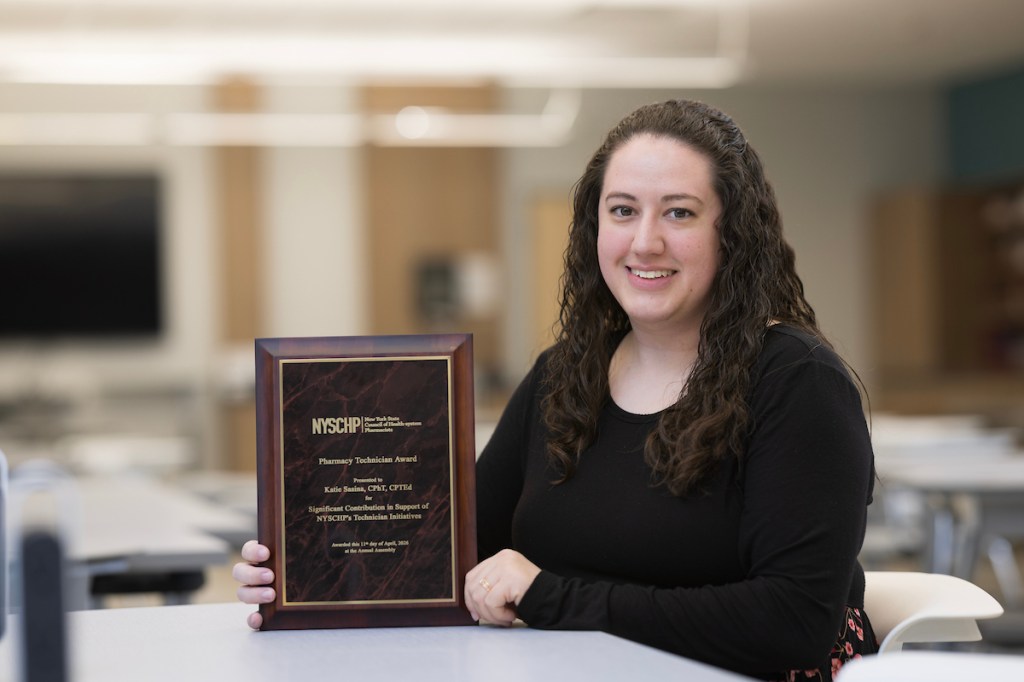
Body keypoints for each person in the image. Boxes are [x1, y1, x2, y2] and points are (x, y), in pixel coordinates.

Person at [234, 98, 878, 681]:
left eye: (679, 213)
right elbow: (450, 552)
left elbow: (792, 622)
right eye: (622, 210)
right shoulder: (564, 375)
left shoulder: (797, 383)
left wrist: (549, 597)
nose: (644, 241)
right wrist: (308, 578)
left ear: (732, 234)